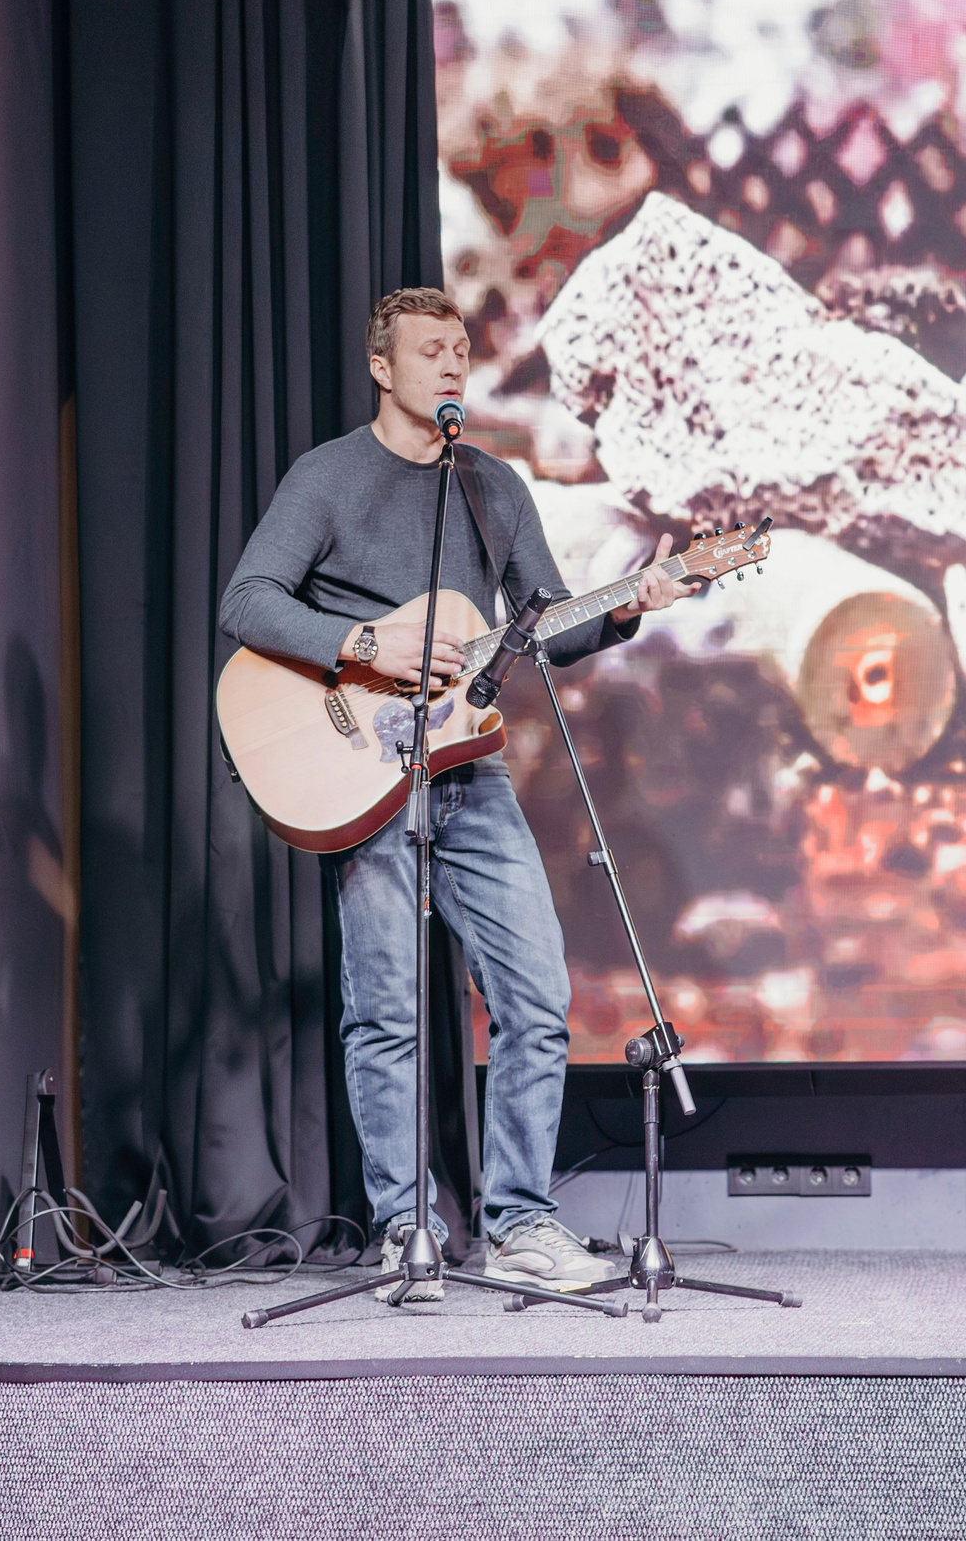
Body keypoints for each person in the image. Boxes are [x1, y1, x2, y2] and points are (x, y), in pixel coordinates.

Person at [218, 286, 693, 1299]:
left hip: (469, 770)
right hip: (363, 772)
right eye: (429, 350)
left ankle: (519, 1221)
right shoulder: (328, 478)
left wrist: (630, 609)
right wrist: (361, 642)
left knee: (537, 998)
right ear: (382, 367)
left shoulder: (491, 485)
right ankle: (404, 1230)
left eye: (461, 349)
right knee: (384, 1010)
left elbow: (549, 627)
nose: (450, 365)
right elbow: (247, 600)